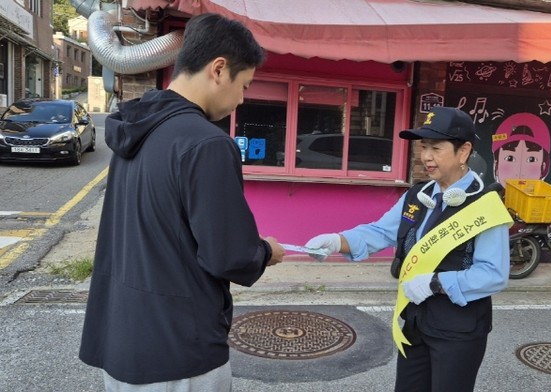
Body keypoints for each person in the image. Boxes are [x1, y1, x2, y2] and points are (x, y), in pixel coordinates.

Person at [79, 13, 285, 391]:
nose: (242, 99)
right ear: (219, 69)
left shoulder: (136, 127)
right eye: (245, 85)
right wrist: (265, 251)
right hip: (178, 353)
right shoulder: (205, 143)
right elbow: (230, 255)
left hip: (122, 339)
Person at [305, 106, 511, 392]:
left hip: (458, 331)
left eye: (436, 148)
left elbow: (493, 274)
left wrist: (436, 283)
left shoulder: (485, 206)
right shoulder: (418, 195)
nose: (426, 157)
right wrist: (337, 240)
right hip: (415, 321)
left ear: (463, 152)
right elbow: (380, 231)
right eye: (423, 147)